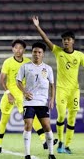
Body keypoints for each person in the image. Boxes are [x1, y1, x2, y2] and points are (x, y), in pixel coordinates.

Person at [32, 16, 84, 154]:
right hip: (61, 89)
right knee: (61, 116)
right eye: (64, 40)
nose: (66, 42)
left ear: (73, 41)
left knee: (72, 118)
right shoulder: (58, 52)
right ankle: (60, 143)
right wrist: (37, 26)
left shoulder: (80, 56)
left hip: (74, 91)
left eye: (68, 40)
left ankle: (67, 145)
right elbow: (46, 40)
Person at [0, 39, 57, 152]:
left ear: (24, 50)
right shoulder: (7, 62)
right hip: (9, 93)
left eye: (20, 48)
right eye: (16, 48)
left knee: (30, 120)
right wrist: (8, 93)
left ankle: (44, 141)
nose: (18, 50)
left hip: (23, 94)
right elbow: (2, 80)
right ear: (12, 49)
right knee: (3, 119)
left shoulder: (29, 62)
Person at [16, 42, 56, 159]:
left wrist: (52, 99)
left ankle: (51, 153)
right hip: (29, 102)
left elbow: (52, 85)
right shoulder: (25, 67)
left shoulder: (48, 68)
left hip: (43, 102)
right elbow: (18, 81)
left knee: (47, 127)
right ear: (32, 53)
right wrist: (24, 92)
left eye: (39, 52)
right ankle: (27, 154)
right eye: (34, 52)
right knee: (28, 125)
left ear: (43, 54)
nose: (37, 54)